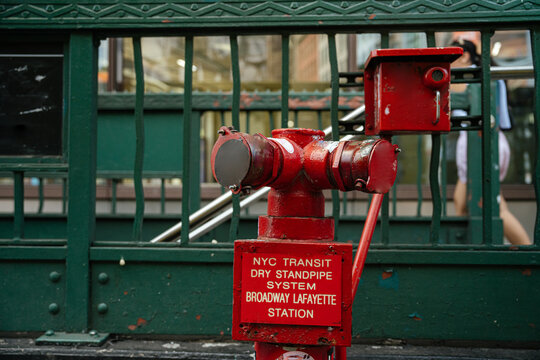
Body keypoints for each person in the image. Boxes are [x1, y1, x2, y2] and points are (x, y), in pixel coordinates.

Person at [450, 38, 531, 245]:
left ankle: (527, 249)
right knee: (463, 201)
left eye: (451, 57)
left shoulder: (469, 74)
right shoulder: (485, 71)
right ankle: (466, 250)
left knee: (495, 206)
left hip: (479, 142)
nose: (448, 62)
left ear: (464, 55)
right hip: (489, 140)